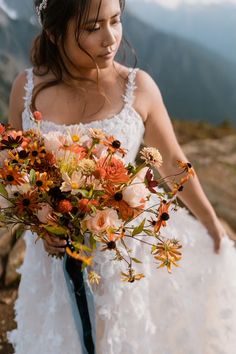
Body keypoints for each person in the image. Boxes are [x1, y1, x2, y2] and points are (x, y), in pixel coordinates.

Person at [6, 0, 236, 353]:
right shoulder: (27, 87)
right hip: (51, 267)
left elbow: (174, 162)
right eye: (92, 28)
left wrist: (210, 222)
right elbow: (18, 172)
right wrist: (43, 225)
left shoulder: (138, 87)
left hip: (121, 265)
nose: (110, 37)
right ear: (54, 33)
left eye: (115, 21)